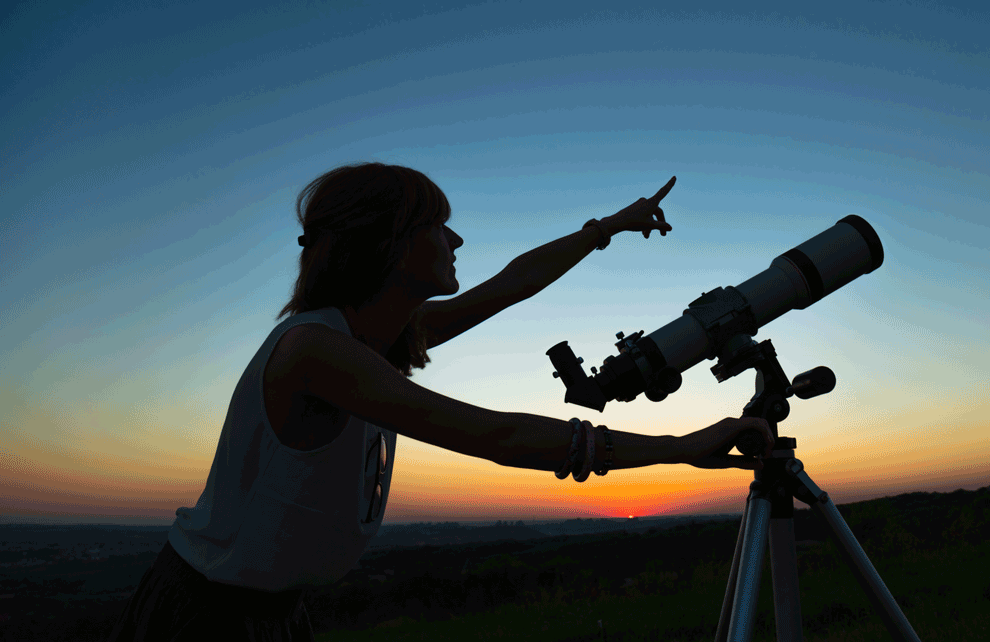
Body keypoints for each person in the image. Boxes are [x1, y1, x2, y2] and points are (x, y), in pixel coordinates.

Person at [107, 163, 775, 641]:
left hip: (270, 609)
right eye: (439, 226)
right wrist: (680, 447)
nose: (456, 241)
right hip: (209, 614)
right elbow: (501, 437)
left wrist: (609, 227)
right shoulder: (316, 351)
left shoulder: (378, 338)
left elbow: (512, 283)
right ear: (389, 241)